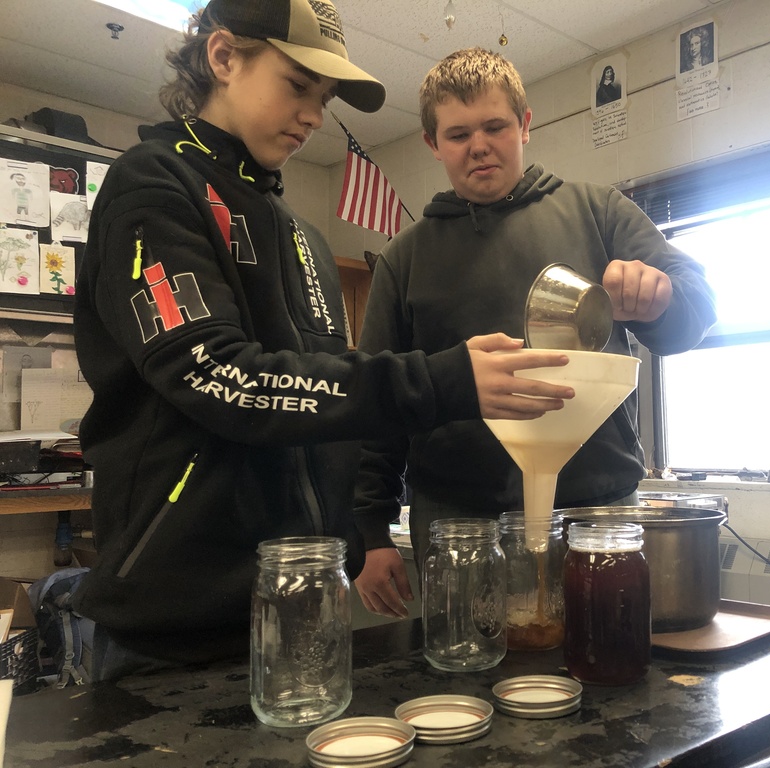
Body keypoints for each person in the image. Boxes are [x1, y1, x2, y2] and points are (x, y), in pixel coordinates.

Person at [69, 3, 573, 681]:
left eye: (325, 97)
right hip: (176, 623)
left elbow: (327, 401)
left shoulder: (302, 237)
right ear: (223, 58)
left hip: (304, 601)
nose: (313, 114)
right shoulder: (152, 187)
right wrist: (441, 380)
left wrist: (355, 535)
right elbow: (222, 378)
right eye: (298, 85)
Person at [352, 47, 717, 618]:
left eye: (495, 126)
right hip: (456, 522)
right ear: (433, 143)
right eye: (457, 134)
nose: (479, 145)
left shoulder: (599, 211)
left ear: (525, 125)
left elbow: (694, 305)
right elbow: (379, 403)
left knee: (608, 671)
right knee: (467, 680)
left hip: (597, 512)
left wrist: (662, 295)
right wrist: (371, 530)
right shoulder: (405, 256)